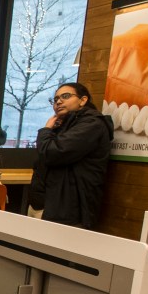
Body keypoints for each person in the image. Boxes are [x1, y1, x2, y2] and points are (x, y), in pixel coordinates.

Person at [30, 82, 113, 229]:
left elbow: (52, 153)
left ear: (83, 100)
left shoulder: (92, 125)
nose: (59, 101)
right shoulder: (65, 125)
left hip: (68, 211)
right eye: (55, 99)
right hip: (48, 205)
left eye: (65, 96)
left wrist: (45, 130)